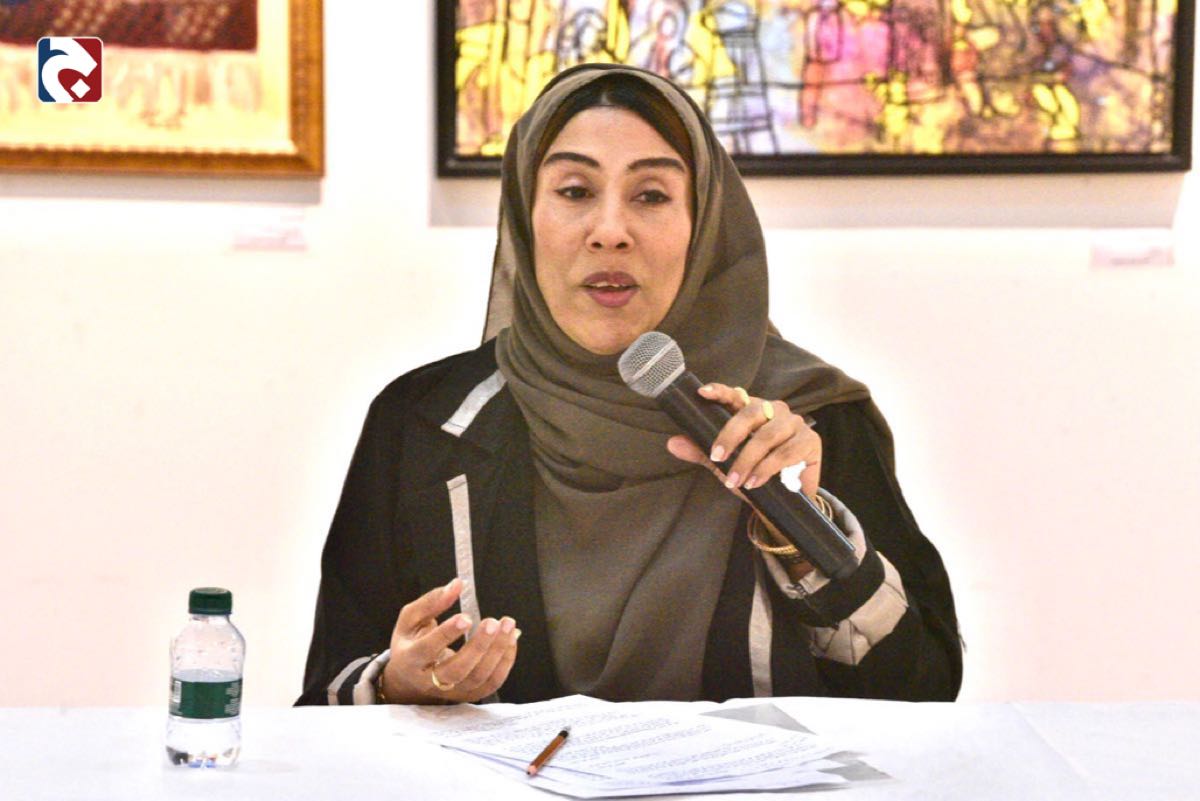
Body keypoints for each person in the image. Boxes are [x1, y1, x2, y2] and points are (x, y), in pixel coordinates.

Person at [297, 64, 961, 707]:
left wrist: (806, 533)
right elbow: (328, 689)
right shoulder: (422, 423)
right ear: (526, 217)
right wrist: (398, 684)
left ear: (704, 222)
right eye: (574, 192)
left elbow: (926, 689)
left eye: (651, 196)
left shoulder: (803, 422)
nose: (610, 233)